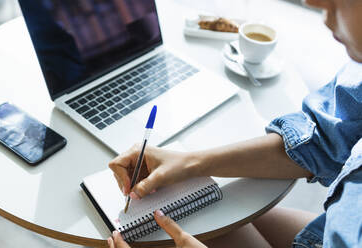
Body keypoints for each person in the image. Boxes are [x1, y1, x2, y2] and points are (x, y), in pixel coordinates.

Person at [107, 0, 362, 247]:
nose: (312, 1)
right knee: (219, 212)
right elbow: (322, 141)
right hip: (326, 233)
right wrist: (189, 162)